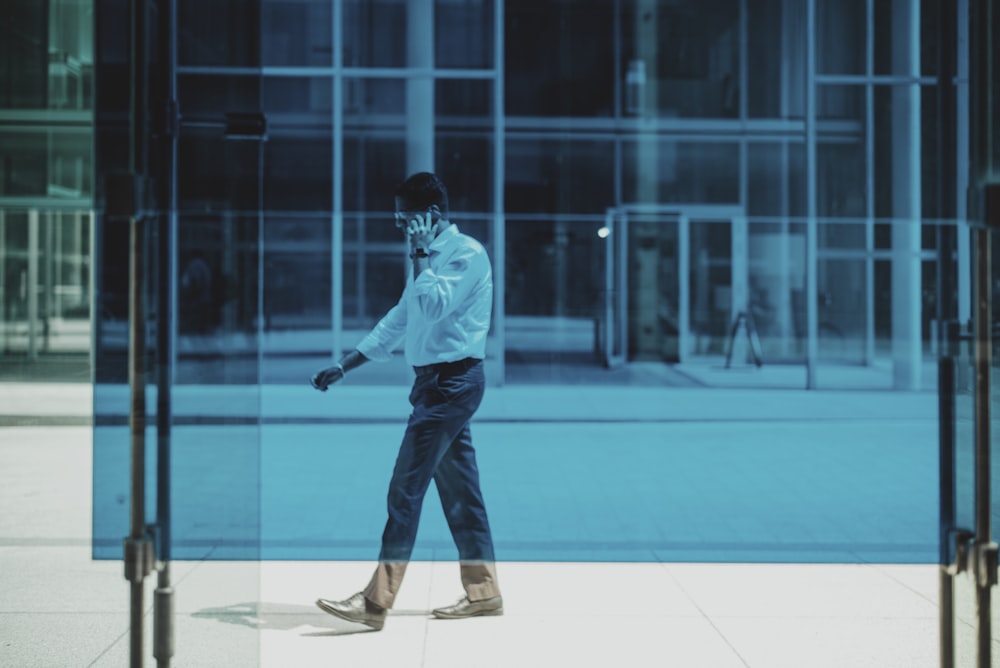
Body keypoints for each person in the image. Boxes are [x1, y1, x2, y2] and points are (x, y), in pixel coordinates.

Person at [310, 171, 502, 631]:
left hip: (451, 385)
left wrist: (419, 255)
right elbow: (403, 316)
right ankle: (485, 592)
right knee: (462, 495)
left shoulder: (465, 254)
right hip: (434, 385)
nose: (400, 226)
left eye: (407, 218)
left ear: (432, 215)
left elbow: (434, 306)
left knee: (405, 490)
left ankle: (375, 603)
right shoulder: (429, 258)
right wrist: (347, 364)